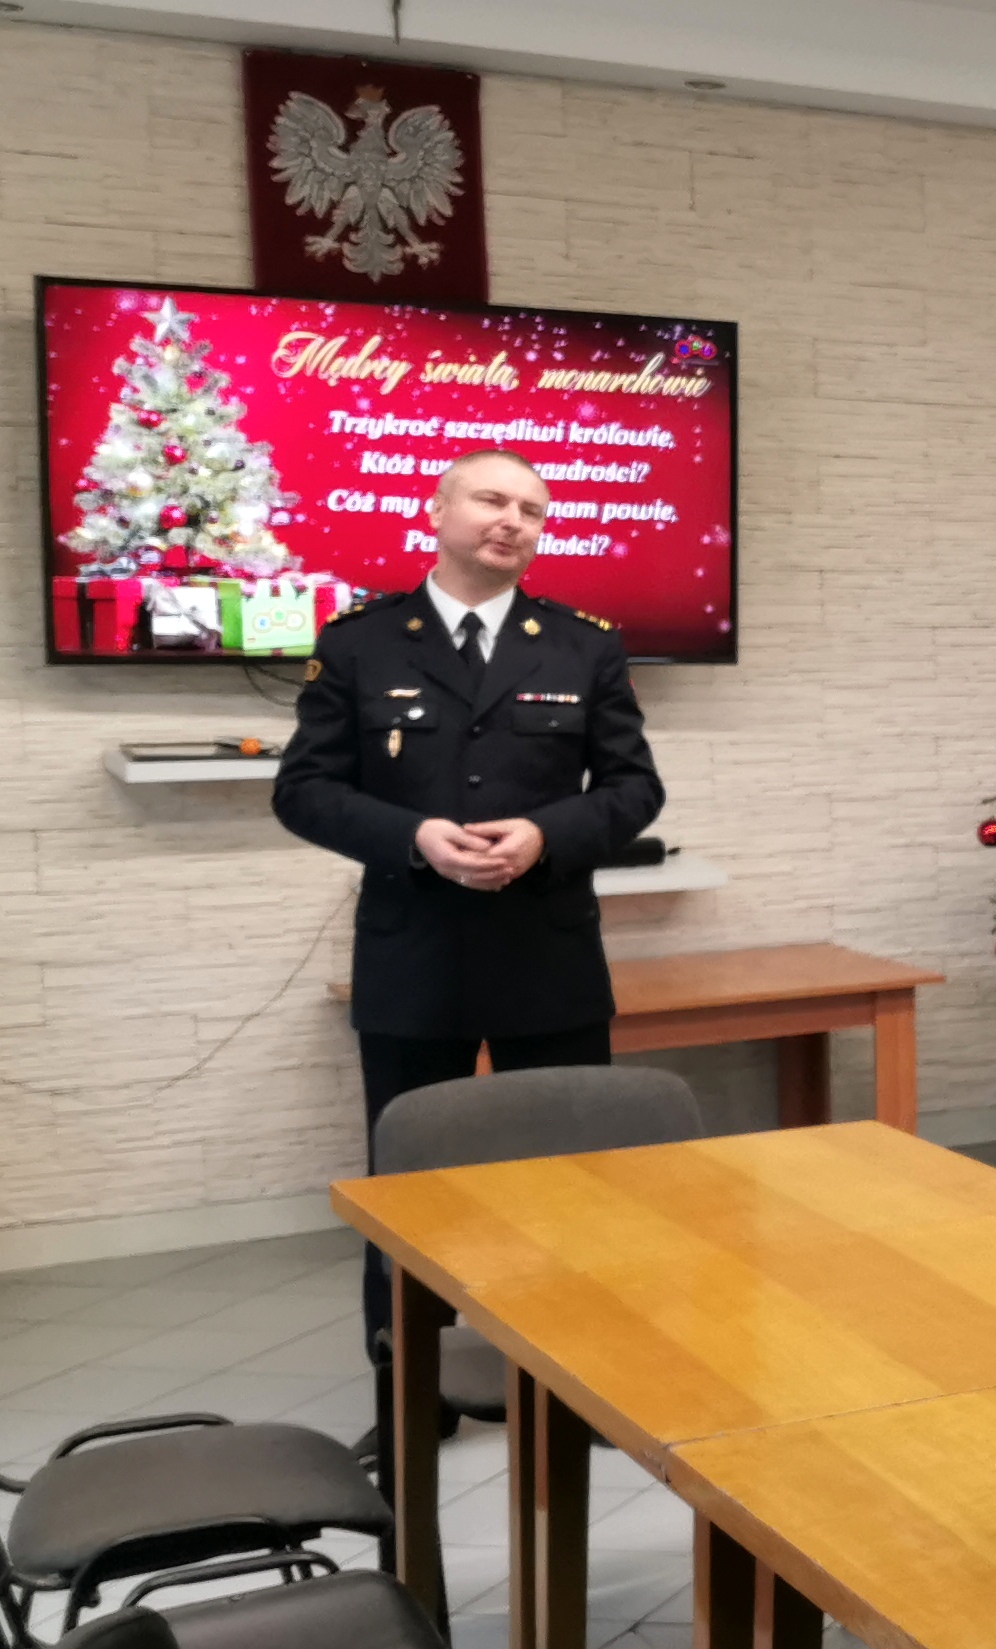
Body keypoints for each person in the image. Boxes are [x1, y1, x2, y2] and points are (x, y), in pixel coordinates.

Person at [273, 448, 664, 1461]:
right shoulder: (360, 642)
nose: (513, 519)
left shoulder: (583, 646)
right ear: (439, 508)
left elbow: (634, 789)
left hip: (549, 951)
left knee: (576, 1179)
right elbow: (303, 790)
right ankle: (412, 1390)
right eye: (492, 498)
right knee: (409, 1183)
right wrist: (413, 837)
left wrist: (545, 834)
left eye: (532, 509)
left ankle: (585, 1381)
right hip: (415, 950)